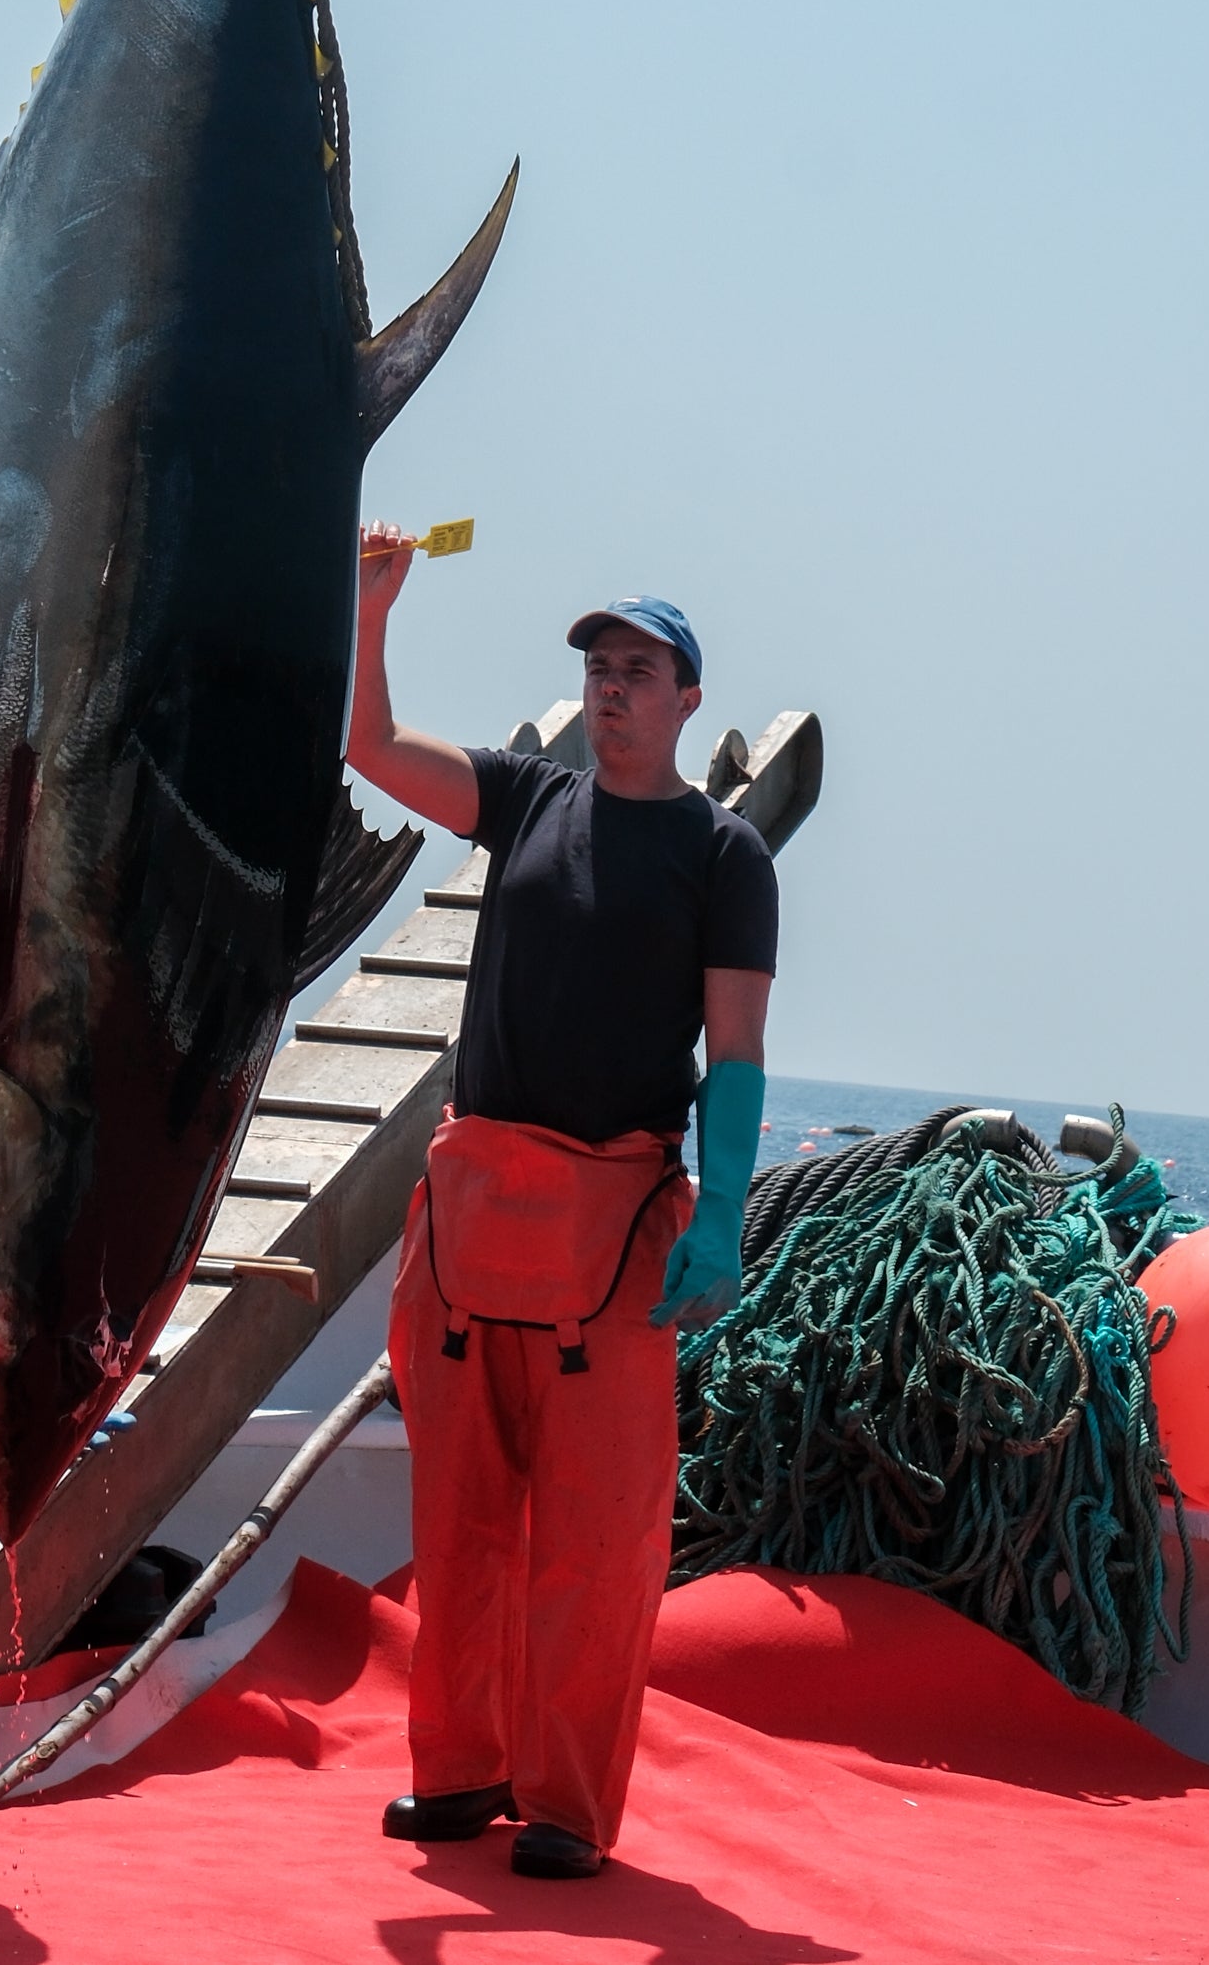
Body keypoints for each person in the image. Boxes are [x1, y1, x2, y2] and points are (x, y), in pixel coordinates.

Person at [346, 534, 776, 1881]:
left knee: (595, 1539)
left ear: (688, 699)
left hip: (615, 1230)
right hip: (472, 1220)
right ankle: (460, 1775)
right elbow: (370, 747)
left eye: (638, 670)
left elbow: (740, 1053)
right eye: (598, 667)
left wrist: (722, 1221)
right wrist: (370, 615)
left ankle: (571, 1805)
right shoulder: (528, 801)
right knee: (461, 1525)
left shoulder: (723, 857)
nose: (611, 687)